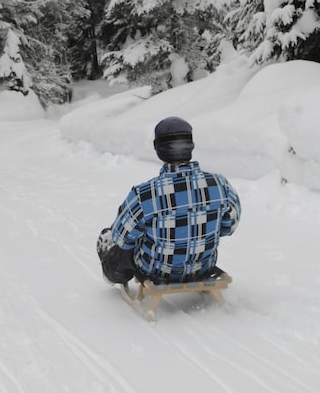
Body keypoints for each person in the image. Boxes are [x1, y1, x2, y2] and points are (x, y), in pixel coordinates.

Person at [97, 116, 241, 284]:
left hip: (155, 271)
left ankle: (113, 274)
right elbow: (228, 227)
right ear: (191, 146)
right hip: (203, 266)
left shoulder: (145, 194)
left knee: (115, 244)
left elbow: (122, 239)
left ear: (158, 148)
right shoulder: (220, 185)